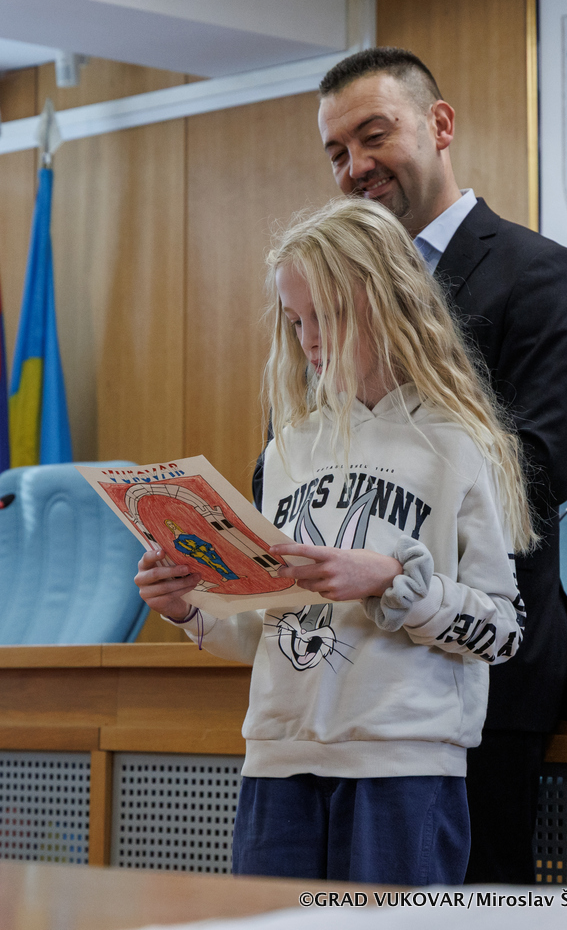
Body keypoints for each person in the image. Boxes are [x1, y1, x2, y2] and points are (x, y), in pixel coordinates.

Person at [136, 197, 534, 886]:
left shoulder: (459, 443)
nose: (310, 340)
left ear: (390, 303)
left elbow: (501, 632)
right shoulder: (287, 450)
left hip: (402, 764)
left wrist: (391, 582)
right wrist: (186, 607)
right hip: (277, 758)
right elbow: (264, 629)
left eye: (328, 315)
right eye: (296, 321)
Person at [308, 47, 567, 884]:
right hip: (343, 676)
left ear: (439, 125)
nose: (355, 167)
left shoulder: (539, 274)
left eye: (373, 136)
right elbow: (286, 463)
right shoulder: (330, 298)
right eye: (336, 152)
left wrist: (380, 496)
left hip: (479, 668)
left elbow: (533, 476)